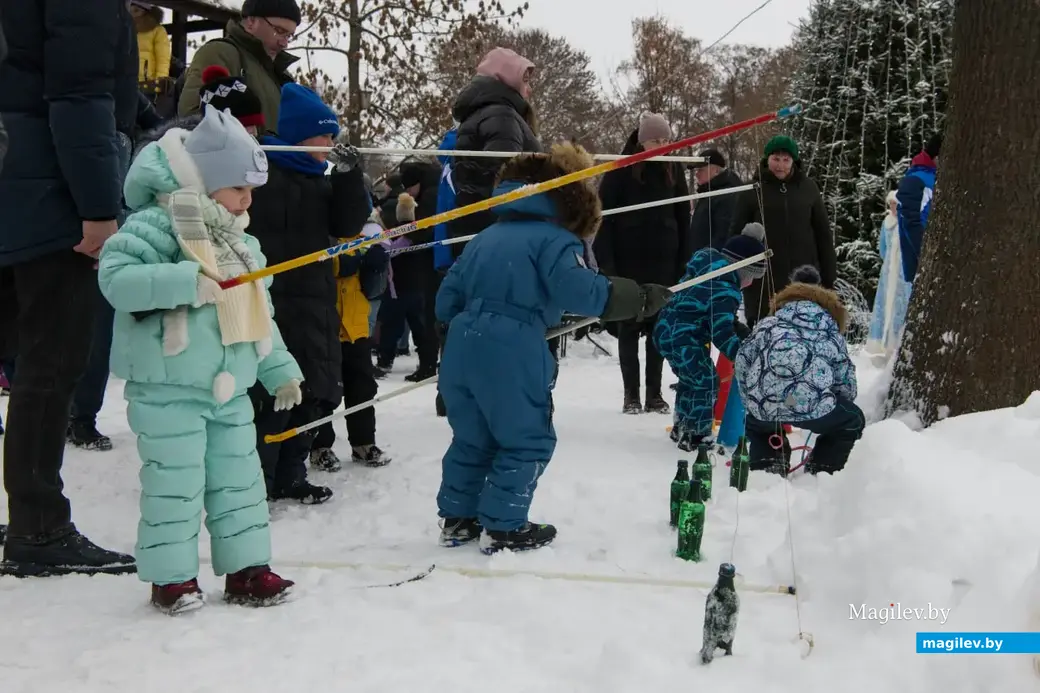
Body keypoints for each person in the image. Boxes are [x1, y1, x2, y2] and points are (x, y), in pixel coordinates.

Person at [98, 106, 302, 614]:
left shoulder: (240, 243)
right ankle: (171, 579)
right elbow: (115, 278)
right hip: (169, 387)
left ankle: (247, 569)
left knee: (241, 481)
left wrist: (279, 369)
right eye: (239, 189)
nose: (247, 201)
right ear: (206, 181)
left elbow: (261, 312)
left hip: (230, 386)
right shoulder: (157, 226)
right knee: (175, 484)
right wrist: (183, 283)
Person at [434, 143, 673, 554]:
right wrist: (637, 299)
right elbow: (578, 289)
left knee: (472, 438)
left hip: (462, 341)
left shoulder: (485, 237)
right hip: (511, 345)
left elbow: (445, 301)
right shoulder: (555, 239)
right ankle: (505, 526)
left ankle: (458, 518)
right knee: (526, 438)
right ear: (570, 198)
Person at [0, 0, 139, 577]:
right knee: (51, 363)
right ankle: (39, 526)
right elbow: (80, 98)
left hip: (12, 175)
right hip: (46, 197)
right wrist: (100, 207)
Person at [247, 83, 375, 495]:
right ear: (300, 136)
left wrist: (349, 176)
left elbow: (346, 225)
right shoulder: (261, 173)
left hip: (316, 298)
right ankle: (258, 481)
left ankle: (291, 474)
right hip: (272, 299)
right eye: (325, 136)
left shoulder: (321, 179)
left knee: (313, 391)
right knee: (272, 395)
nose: (331, 144)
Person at [593, 113, 692, 415]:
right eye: (655, 141)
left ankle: (654, 393)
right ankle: (631, 395)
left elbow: (682, 218)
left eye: (665, 141)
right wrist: (608, 265)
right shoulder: (620, 170)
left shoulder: (673, 171)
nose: (661, 146)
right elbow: (604, 219)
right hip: (628, 262)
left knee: (657, 331)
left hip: (664, 262)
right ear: (641, 141)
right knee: (629, 327)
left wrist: (683, 261)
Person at [735, 265, 864, 476]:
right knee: (852, 420)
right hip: (810, 404)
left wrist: (750, 399)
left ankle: (769, 462)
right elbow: (844, 378)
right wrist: (835, 400)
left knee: (758, 423)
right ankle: (822, 468)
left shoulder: (768, 323)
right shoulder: (829, 327)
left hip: (764, 405)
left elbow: (742, 361)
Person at [653, 223, 767, 451]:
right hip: (684, 337)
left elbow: (722, 319)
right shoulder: (726, 289)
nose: (751, 283)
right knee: (706, 380)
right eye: (751, 277)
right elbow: (721, 332)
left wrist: (746, 335)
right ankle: (697, 435)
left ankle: (682, 426)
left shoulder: (710, 273)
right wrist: (742, 357)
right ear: (742, 271)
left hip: (667, 330)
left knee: (692, 379)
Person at [310, 206, 392, 471]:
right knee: (324, 389)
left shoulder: (363, 238)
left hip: (357, 327)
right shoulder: (320, 235)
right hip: (326, 327)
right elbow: (315, 264)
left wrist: (376, 265)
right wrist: (338, 261)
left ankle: (364, 442)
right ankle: (320, 446)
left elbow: (374, 289)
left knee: (362, 386)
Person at [729, 135, 835, 329]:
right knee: (764, 334)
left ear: (794, 162)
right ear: (766, 159)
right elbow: (735, 236)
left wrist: (828, 278)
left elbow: (823, 235)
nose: (780, 165)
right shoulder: (752, 190)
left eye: (786, 160)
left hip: (803, 280)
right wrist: (735, 276)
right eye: (775, 159)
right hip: (762, 283)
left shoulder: (808, 188)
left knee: (802, 333)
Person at [445, 47, 542, 252]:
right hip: (504, 234)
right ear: (508, 79)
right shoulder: (501, 115)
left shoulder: (481, 112)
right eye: (525, 81)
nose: (529, 89)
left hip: (478, 229)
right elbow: (508, 180)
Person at [177, 0, 300, 131]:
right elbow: (193, 119)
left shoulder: (282, 75)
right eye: (279, 31)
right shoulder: (220, 53)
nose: (284, 43)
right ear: (251, 21)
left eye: (289, 36)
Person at [375, 160, 443, 381]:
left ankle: (427, 364)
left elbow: (422, 229)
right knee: (419, 320)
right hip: (420, 269)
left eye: (409, 187)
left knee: (420, 321)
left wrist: (403, 239)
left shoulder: (430, 196)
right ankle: (427, 362)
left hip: (421, 269)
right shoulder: (431, 190)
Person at [866, 191, 911, 357]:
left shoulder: (906, 222)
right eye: (891, 204)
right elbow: (883, 248)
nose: (893, 207)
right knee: (885, 302)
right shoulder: (887, 222)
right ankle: (882, 342)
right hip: (889, 270)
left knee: (902, 302)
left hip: (903, 269)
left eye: (896, 204)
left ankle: (899, 340)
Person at [897, 133, 941, 283]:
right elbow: (911, 222)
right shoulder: (916, 179)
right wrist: (929, 258)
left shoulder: (933, 177)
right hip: (923, 268)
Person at [689, 149, 743, 251]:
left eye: (701, 170)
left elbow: (723, 235)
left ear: (716, 171)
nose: (696, 174)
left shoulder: (726, 195)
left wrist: (704, 258)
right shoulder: (709, 193)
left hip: (713, 262)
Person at [130, 2, 171, 89]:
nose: (133, 14)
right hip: (127, 83)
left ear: (145, 12)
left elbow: (162, 59)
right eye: (130, 11)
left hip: (148, 85)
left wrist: (160, 83)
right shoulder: (125, 29)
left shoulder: (158, 31)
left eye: (136, 10)